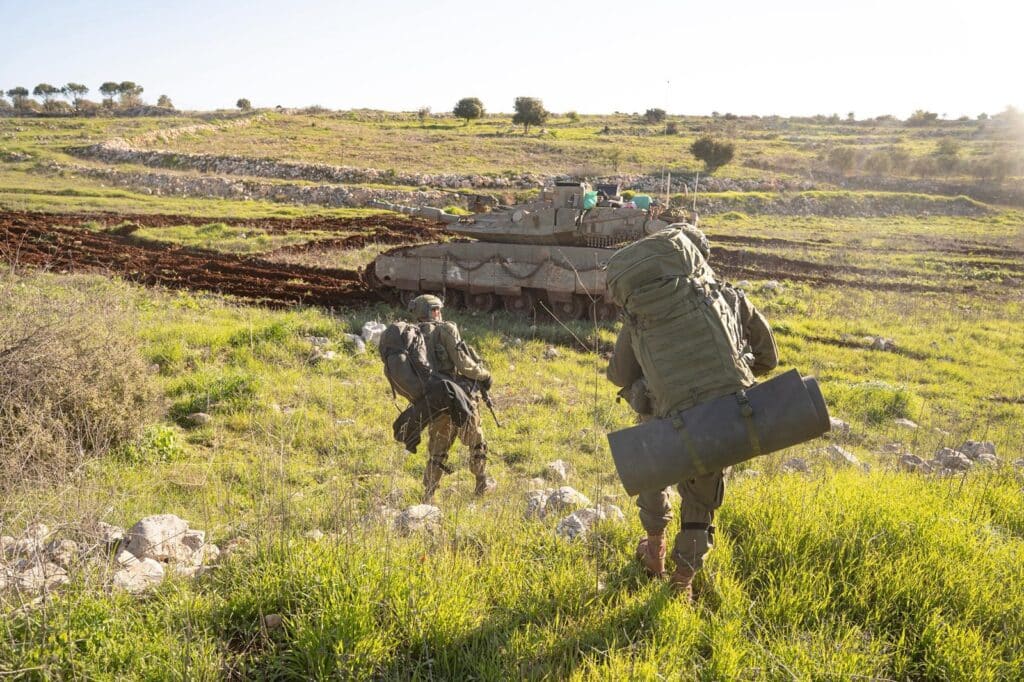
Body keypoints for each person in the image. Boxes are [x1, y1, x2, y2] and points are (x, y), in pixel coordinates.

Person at [606, 225, 777, 601]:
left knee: (653, 468)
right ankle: (682, 581)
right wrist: (731, 374)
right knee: (701, 500)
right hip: (719, 417)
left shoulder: (642, 312)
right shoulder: (727, 297)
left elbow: (618, 374)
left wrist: (649, 386)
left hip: (664, 418)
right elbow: (769, 356)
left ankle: (654, 551)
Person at [409, 294, 496, 503]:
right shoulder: (446, 329)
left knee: (438, 447)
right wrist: (485, 375)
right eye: (435, 309)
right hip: (458, 397)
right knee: (476, 440)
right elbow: (464, 365)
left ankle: (429, 493)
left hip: (434, 399)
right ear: (429, 311)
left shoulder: (412, 335)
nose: (439, 313)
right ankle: (482, 481)